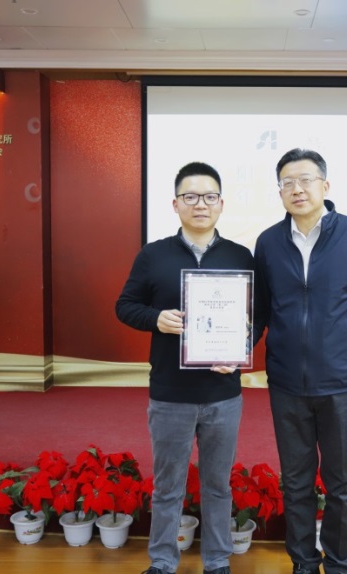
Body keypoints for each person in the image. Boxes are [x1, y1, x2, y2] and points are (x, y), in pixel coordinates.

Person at [253, 148, 347, 574]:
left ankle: (341, 563)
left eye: (306, 180)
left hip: (341, 383)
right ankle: (303, 562)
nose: (297, 189)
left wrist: (344, 348)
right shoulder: (268, 242)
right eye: (287, 182)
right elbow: (262, 307)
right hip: (286, 383)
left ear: (325, 185)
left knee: (342, 482)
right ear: (280, 191)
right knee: (295, 481)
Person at [116, 162, 253, 574]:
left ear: (221, 203)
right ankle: (162, 562)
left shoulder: (240, 256)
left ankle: (217, 561)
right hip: (170, 394)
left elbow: (258, 316)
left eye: (209, 196)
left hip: (223, 395)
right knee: (167, 486)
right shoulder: (153, 255)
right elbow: (125, 306)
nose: (200, 204)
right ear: (175, 204)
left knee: (218, 485)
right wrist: (155, 318)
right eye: (190, 197)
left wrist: (243, 349)